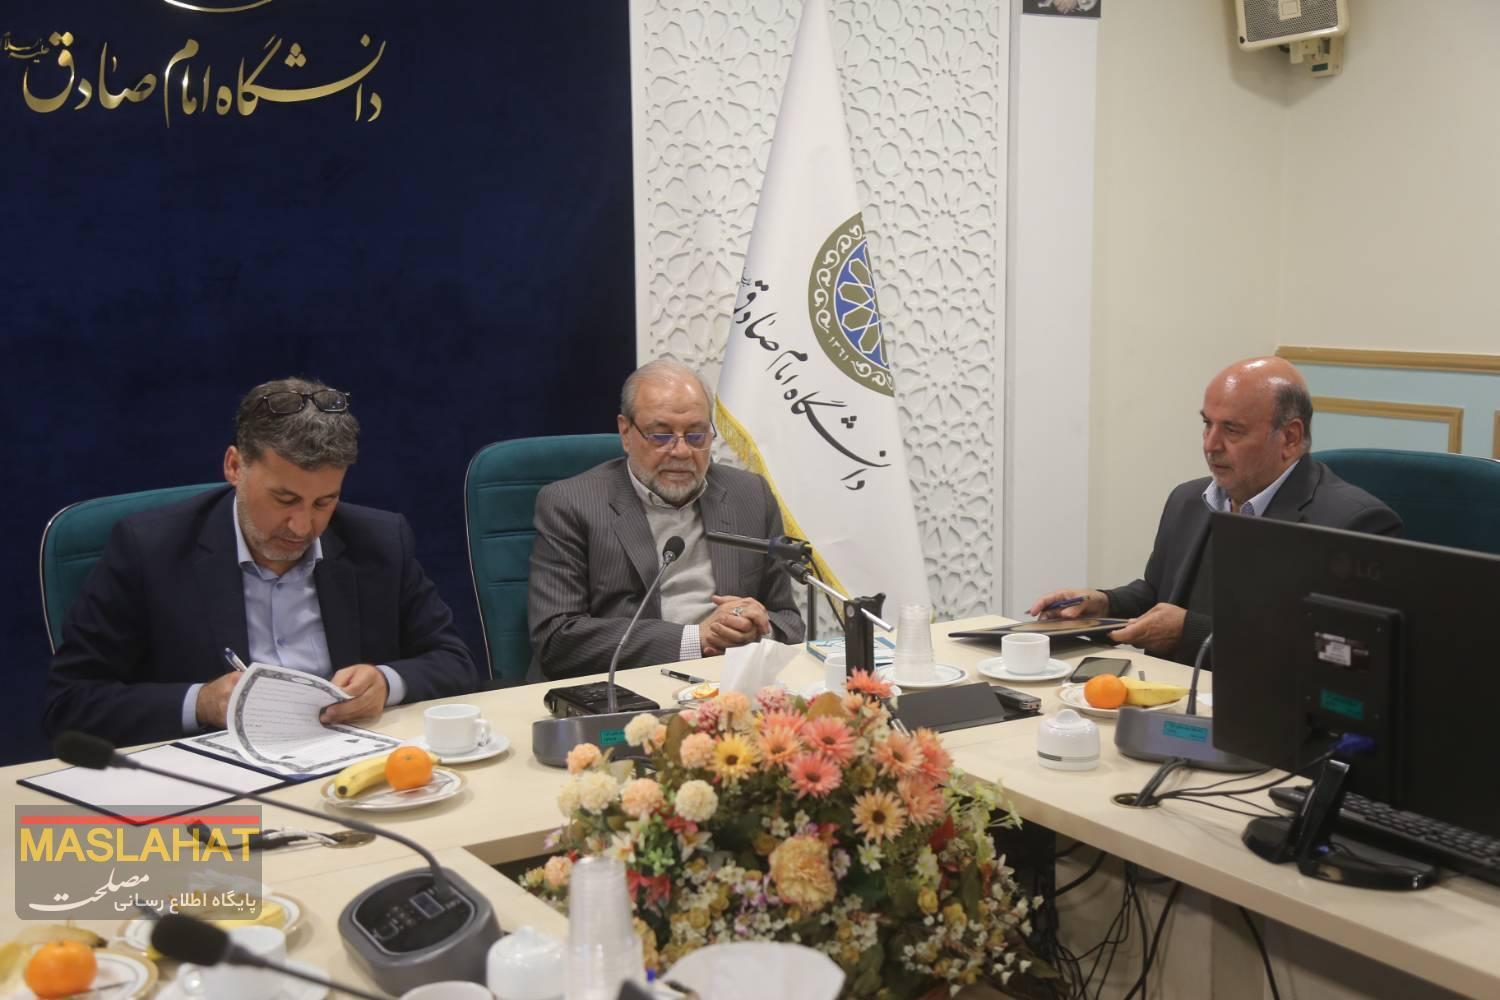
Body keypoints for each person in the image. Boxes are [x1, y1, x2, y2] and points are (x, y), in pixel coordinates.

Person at [44, 377, 479, 746]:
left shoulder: (379, 540)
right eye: (284, 499)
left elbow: (454, 661)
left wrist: (385, 682)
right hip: (220, 785)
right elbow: (68, 704)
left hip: (350, 761)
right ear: (235, 466)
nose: (302, 526)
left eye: (324, 502)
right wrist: (202, 702)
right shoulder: (149, 549)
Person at [1028, 356, 1401, 664]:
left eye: (1232, 430)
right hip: (1170, 704)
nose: (1210, 444)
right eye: (1207, 424)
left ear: (1289, 438)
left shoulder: (1351, 524)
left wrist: (1191, 632)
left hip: (1268, 717)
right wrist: (1105, 604)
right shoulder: (1188, 500)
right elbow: (1159, 594)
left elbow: (1338, 652)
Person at [528, 360, 805, 679]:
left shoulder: (751, 495)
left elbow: (789, 621)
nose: (681, 451)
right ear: (626, 432)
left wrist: (758, 628)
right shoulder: (570, 504)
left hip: (727, 682)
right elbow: (556, 639)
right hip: (624, 685)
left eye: (696, 435)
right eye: (661, 436)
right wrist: (695, 639)